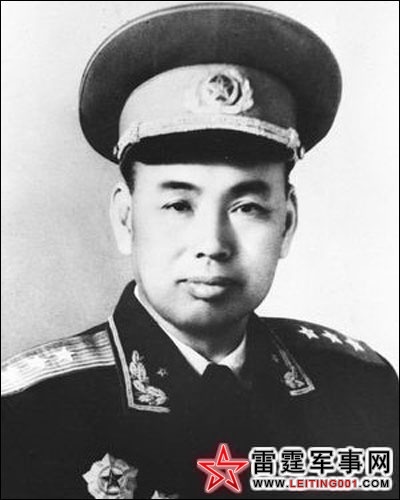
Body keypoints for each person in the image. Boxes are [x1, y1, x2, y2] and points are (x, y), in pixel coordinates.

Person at [1, 3, 398, 499]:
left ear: (287, 223)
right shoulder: (29, 414)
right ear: (126, 219)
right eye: (178, 205)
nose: (212, 244)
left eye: (247, 207)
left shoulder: (360, 391)